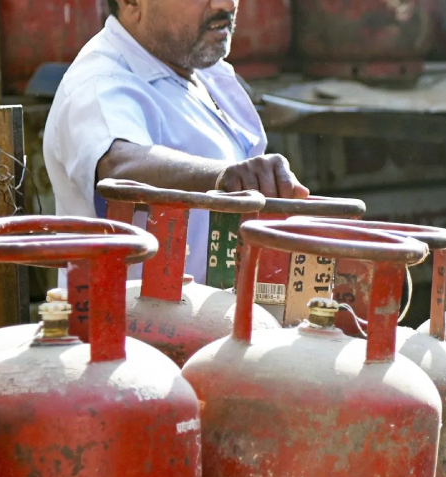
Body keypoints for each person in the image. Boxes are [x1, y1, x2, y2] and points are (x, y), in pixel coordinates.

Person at [44, 0, 309, 280]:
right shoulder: (100, 83)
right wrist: (222, 177)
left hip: (219, 314)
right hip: (132, 321)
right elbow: (117, 165)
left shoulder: (201, 70)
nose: (226, 4)